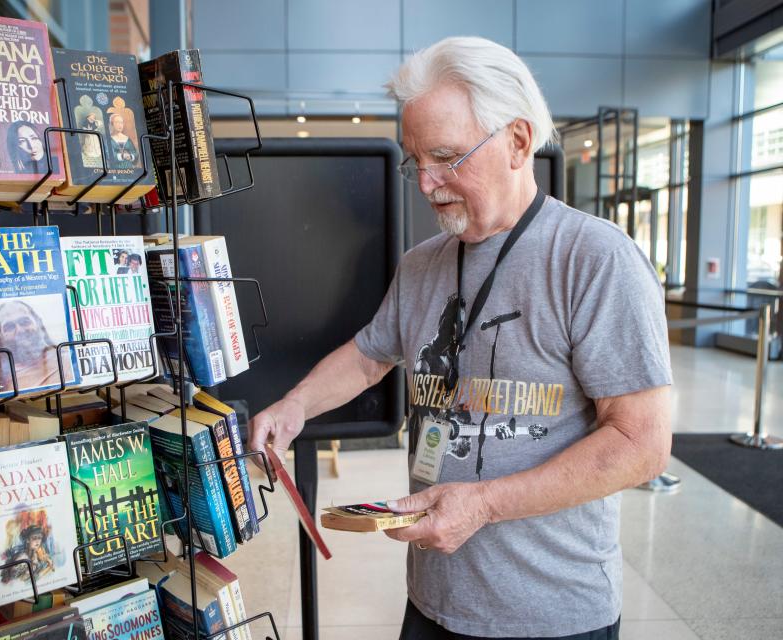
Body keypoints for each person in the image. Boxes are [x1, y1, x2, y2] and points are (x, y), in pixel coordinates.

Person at [249, 36, 672, 640]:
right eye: (414, 159)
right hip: (433, 601)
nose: (425, 183)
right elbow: (371, 355)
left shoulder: (596, 259)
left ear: (518, 142)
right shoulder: (423, 263)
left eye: (447, 156)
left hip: (551, 615)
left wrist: (484, 503)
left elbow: (642, 444)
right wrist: (295, 407)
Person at [0, 300, 74, 394]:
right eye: (9, 327)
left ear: (38, 323)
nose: (20, 330)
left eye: (25, 322)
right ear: (0, 337)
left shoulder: (66, 362)